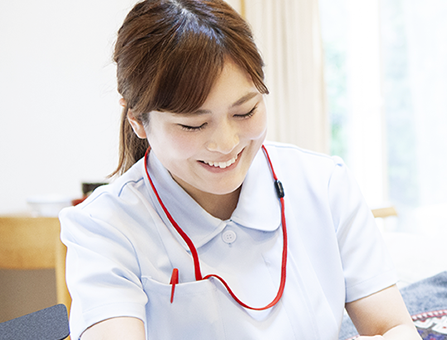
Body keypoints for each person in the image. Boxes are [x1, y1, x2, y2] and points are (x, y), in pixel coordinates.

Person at [59, 1, 420, 339]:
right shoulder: (104, 227)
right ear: (137, 119)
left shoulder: (324, 185)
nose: (226, 143)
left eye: (245, 111)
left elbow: (391, 329)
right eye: (193, 125)